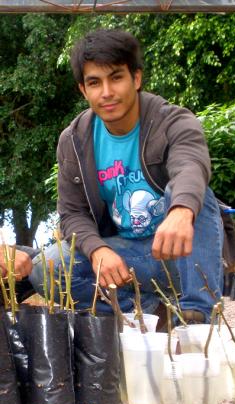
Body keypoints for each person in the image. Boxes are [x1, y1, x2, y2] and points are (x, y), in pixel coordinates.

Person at [30, 29, 224, 324]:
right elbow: (72, 213)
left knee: (196, 194)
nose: (106, 92)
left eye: (116, 77)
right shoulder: (74, 140)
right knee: (47, 268)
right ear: (83, 90)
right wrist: (98, 250)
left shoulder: (173, 120)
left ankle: (199, 315)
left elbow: (191, 165)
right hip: (130, 255)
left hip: (184, 252)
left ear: (136, 78)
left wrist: (181, 211)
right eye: (95, 82)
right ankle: (152, 314)